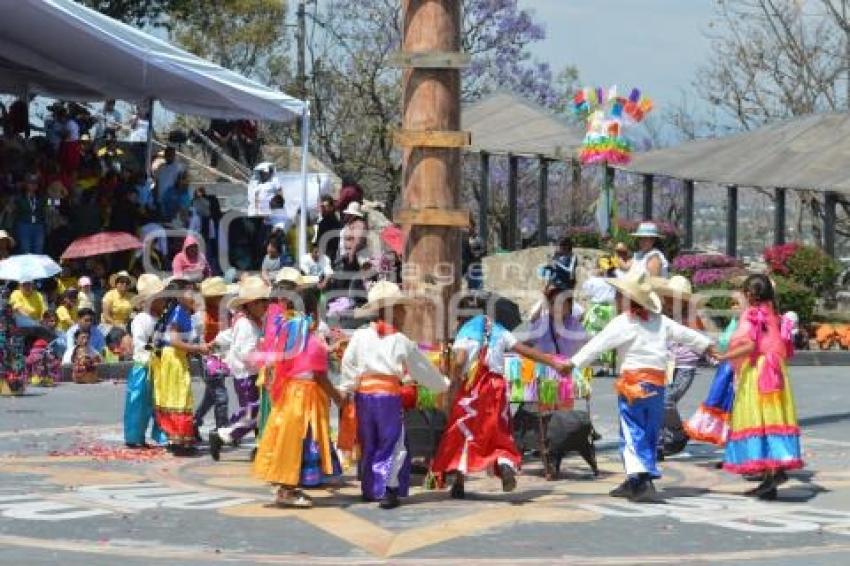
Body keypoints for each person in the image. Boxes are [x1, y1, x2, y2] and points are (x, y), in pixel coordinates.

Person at [562, 272, 717, 503]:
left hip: (633, 385)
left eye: (618, 296)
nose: (615, 299)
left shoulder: (624, 322)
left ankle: (642, 480)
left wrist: (572, 363)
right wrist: (707, 346)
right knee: (650, 430)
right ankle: (634, 479)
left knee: (632, 430)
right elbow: (685, 334)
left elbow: (597, 344)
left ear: (627, 299)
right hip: (656, 384)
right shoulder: (660, 321)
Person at [431, 300, 571, 500]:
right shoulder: (499, 329)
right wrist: (553, 362)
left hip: (472, 388)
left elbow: (460, 360)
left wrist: (454, 381)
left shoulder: (466, 330)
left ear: (462, 316)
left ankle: (459, 483)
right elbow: (526, 351)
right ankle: (505, 464)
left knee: (463, 432)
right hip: (496, 388)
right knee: (498, 431)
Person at [339, 281, 450, 509]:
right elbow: (423, 369)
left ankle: (371, 488)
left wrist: (348, 388)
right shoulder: (401, 341)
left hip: (364, 396)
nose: (405, 314)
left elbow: (348, 364)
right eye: (402, 309)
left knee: (369, 441)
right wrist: (443, 384)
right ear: (394, 311)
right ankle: (388, 490)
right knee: (393, 443)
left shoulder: (360, 336)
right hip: (388, 398)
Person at [253, 285, 344, 508]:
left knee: (287, 440)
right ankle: (287, 490)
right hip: (303, 397)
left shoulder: (287, 332)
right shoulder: (309, 339)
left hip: (288, 393)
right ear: (313, 311)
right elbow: (320, 376)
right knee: (295, 442)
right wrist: (338, 397)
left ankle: (285, 486)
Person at [719, 274, 802, 500]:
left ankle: (773, 473)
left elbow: (748, 344)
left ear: (750, 294)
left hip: (758, 369)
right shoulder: (774, 314)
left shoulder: (753, 314)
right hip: (776, 370)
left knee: (757, 418)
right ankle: (771, 478)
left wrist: (724, 356)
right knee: (772, 417)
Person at [208, 276, 269, 460]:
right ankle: (223, 435)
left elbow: (228, 336)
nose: (265, 305)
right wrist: (266, 358)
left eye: (265, 301)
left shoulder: (249, 321)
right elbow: (246, 353)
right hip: (247, 375)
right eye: (261, 302)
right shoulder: (246, 324)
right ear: (250, 304)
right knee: (253, 412)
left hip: (250, 373)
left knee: (258, 411)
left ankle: (260, 446)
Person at [152, 277, 208, 455]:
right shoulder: (179, 313)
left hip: (174, 358)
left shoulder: (180, 311)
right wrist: (197, 349)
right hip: (174, 359)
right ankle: (180, 441)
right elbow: (174, 341)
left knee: (174, 397)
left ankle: (175, 439)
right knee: (180, 397)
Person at [652, 276, 706, 458]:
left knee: (666, 399)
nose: (669, 302)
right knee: (657, 400)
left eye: (674, 299)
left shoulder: (691, 318)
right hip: (666, 364)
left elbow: (701, 340)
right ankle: (659, 443)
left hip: (684, 366)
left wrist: (714, 356)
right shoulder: (662, 316)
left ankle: (677, 432)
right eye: (668, 298)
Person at [124, 274, 168, 448]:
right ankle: (134, 437)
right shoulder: (141, 319)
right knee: (138, 403)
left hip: (159, 366)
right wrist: (157, 351)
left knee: (161, 402)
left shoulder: (162, 318)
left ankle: (162, 434)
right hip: (144, 366)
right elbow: (140, 344)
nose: (164, 301)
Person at [193, 277, 233, 440]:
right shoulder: (200, 316)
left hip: (221, 358)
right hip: (207, 359)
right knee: (220, 395)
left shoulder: (226, 312)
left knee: (211, 396)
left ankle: (194, 421)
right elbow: (197, 339)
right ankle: (222, 429)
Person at [14, 173, 47, 255]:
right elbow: (11, 208)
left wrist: (59, 199)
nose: (33, 185)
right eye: (30, 183)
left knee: (38, 251)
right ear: (26, 184)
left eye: (35, 183)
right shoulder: (19, 198)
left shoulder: (41, 198)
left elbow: (56, 203)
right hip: (24, 225)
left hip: (38, 226)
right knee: (26, 251)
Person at [156, 146, 187, 220]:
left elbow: (182, 183)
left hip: (172, 200)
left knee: (171, 221)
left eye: (171, 154)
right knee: (162, 220)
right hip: (160, 199)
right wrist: (156, 196)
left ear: (174, 155)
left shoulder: (179, 167)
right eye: (167, 154)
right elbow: (157, 182)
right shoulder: (161, 167)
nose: (168, 156)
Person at [316, 195, 342, 262]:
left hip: (329, 255)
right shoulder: (322, 221)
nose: (323, 209)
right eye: (321, 206)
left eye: (325, 206)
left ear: (332, 207)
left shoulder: (333, 222)